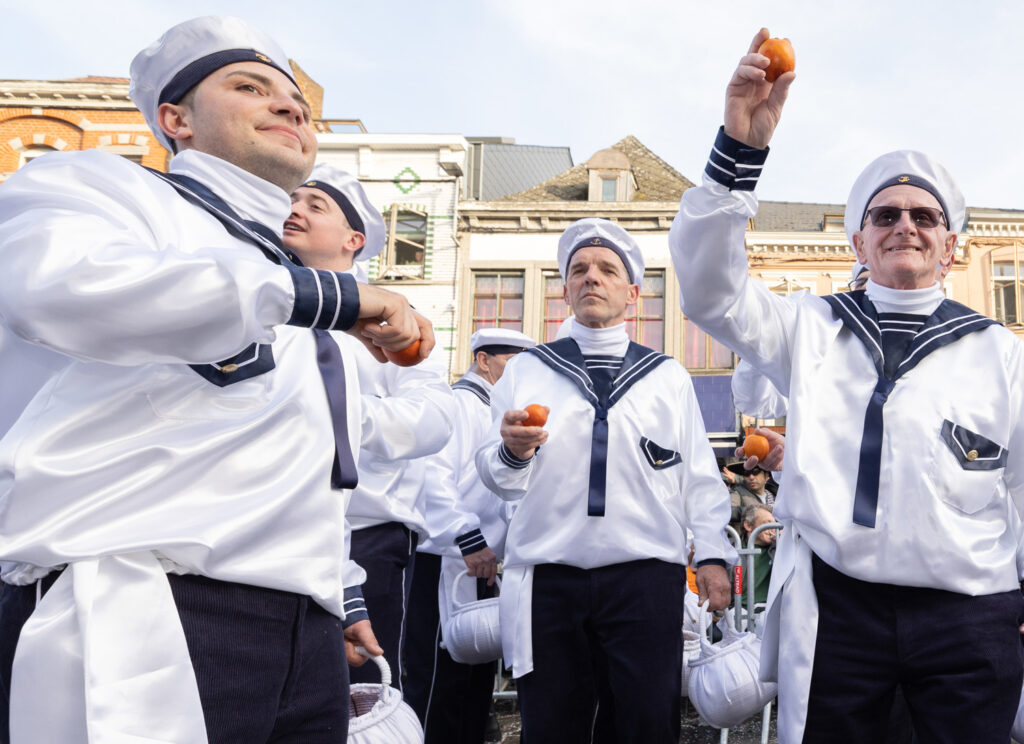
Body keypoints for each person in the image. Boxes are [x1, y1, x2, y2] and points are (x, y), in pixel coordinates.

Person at [0, 16, 431, 744]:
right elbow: (54, 286)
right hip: (141, 606)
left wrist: (336, 597)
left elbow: (305, 466)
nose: (291, 107)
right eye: (250, 86)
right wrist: (327, 298)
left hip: (306, 630)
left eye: (296, 98)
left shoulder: (291, 280)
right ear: (176, 119)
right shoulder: (96, 186)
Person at [670, 28, 1024, 744]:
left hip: (970, 617)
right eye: (884, 216)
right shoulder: (809, 327)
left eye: (925, 217)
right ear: (857, 244)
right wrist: (739, 149)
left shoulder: (999, 354)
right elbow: (709, 293)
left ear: (952, 245)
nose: (906, 227)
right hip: (839, 614)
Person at [475, 217, 735, 744]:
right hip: (548, 575)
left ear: (633, 293)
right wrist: (512, 451)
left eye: (607, 269)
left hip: (644, 577)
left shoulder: (667, 375)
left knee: (645, 723)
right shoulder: (527, 370)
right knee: (551, 724)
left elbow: (699, 478)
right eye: (579, 270)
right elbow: (496, 477)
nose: (592, 277)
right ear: (565, 289)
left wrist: (710, 553)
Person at [282, 163, 461, 689]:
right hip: (275, 528)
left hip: (367, 533)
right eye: (292, 201)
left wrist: (334, 417)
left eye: (315, 207)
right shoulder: (267, 309)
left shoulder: (393, 323)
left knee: (362, 694)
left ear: (353, 240)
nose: (294, 211)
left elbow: (434, 418)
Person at [405, 327, 536, 744]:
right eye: (512, 362)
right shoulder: (459, 404)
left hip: (483, 563)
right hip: (447, 560)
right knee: (436, 682)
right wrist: (468, 538)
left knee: (474, 683)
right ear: (483, 360)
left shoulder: (502, 413)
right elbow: (434, 477)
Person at [739, 504, 776, 606]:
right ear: (748, 526)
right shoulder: (734, 552)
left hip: (770, 610)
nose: (773, 529)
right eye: (767, 523)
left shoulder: (779, 549)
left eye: (775, 524)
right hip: (740, 610)